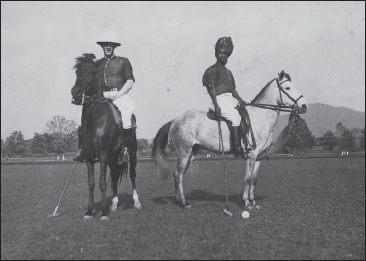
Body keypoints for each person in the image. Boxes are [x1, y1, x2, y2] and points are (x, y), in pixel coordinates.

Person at [73, 30, 136, 164]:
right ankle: (82, 149)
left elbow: (130, 82)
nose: (108, 47)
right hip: (101, 98)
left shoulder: (123, 61)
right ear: (102, 46)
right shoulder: (97, 64)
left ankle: (125, 151)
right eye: (105, 44)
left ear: (114, 46)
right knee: (80, 116)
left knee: (126, 116)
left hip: (120, 95)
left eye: (110, 44)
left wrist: (117, 96)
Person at [202, 37, 245, 158]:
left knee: (246, 113)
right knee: (236, 118)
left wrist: (240, 99)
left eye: (225, 54)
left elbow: (232, 89)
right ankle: (237, 148)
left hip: (230, 99)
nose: (223, 56)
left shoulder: (228, 72)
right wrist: (216, 105)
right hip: (219, 100)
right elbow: (211, 89)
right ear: (216, 53)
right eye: (221, 53)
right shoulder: (212, 70)